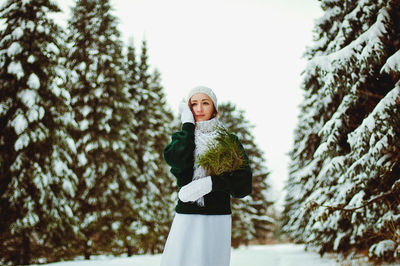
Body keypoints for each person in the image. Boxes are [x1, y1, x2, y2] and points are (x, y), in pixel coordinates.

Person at [160, 86, 253, 266]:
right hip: (187, 216)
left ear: (214, 107)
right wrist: (187, 126)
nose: (199, 109)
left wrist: (211, 183)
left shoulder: (229, 141)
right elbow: (177, 160)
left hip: (217, 219)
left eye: (205, 103)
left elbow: (244, 184)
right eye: (194, 104)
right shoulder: (182, 138)